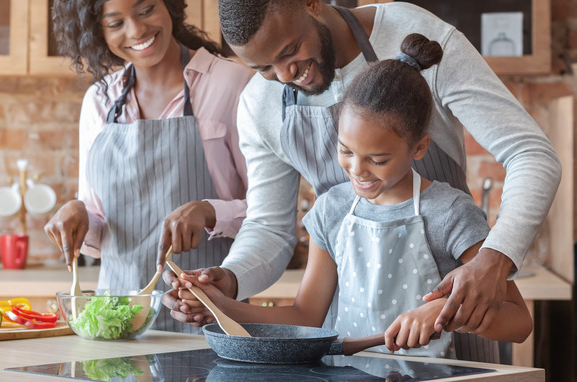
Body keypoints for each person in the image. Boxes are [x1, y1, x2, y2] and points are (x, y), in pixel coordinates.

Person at [164, 0, 560, 338]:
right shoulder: (259, 103)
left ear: (311, 1)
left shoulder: (415, 35)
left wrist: (495, 258)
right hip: (352, 332)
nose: (286, 76)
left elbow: (531, 154)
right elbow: (269, 227)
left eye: (289, 51)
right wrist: (229, 280)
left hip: (455, 315)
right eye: (263, 68)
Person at [174, 33, 532, 362]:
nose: (357, 171)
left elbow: (518, 322)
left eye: (378, 160)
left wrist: (444, 313)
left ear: (419, 146)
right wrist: (220, 306)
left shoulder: (450, 213)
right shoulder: (332, 210)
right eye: (345, 152)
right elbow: (305, 317)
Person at [43, 0, 253, 332]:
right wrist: (78, 213)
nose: (137, 31)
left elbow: (269, 216)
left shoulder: (232, 85)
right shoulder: (100, 101)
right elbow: (100, 215)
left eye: (145, 9)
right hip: (117, 324)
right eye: (115, 22)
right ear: (97, 31)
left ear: (168, 0)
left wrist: (210, 211)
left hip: (208, 316)